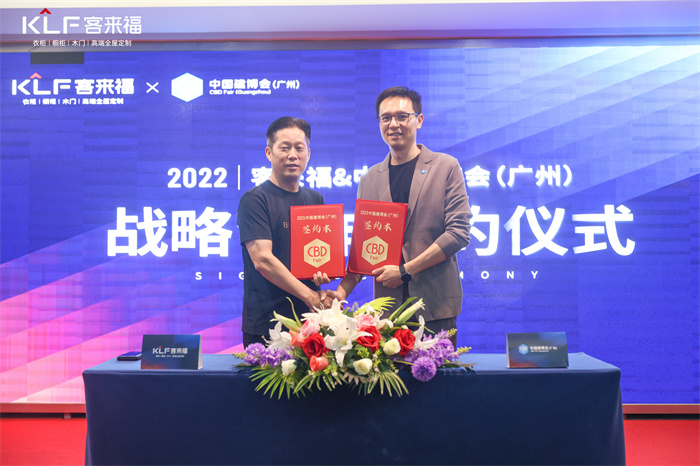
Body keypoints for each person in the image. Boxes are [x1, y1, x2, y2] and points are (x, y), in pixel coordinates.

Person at [328, 87, 472, 342]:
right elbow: (364, 248)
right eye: (386, 118)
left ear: (419, 120)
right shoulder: (370, 179)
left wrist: (406, 270)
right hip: (388, 311)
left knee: (438, 369)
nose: (393, 124)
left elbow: (458, 233)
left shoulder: (446, 167)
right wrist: (341, 292)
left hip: (435, 306)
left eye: (402, 116)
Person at [238, 116, 329, 347]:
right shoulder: (254, 200)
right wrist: (310, 296)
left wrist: (322, 272)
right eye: (285, 148)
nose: (293, 155)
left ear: (308, 153)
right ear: (269, 153)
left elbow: (317, 254)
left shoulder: (315, 199)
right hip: (267, 323)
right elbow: (263, 260)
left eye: (299, 148)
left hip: (309, 322)